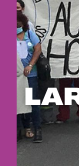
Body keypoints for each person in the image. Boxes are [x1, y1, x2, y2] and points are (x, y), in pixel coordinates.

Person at [17, 12, 43, 143]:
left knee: (32, 102)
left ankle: (37, 129)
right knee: (16, 103)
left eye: (19, 24)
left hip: (30, 75)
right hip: (15, 77)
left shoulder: (29, 34)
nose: (17, 27)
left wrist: (31, 65)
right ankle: (21, 129)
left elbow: (38, 49)